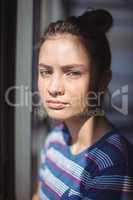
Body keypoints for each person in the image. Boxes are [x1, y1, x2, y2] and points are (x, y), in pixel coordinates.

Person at [32, 8, 133, 200]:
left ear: (103, 80)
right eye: (45, 72)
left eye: (72, 72)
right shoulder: (55, 139)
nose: (54, 88)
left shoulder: (111, 161)